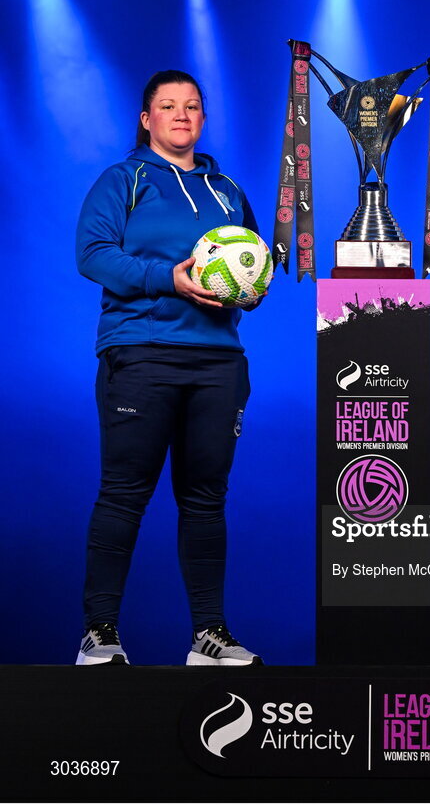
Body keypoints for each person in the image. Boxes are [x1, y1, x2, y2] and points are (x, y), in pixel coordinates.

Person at [75, 70, 264, 666]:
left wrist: (249, 289)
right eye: (168, 105)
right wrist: (169, 279)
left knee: (206, 499)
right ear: (146, 118)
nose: (182, 115)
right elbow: (93, 254)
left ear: (202, 118)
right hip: (142, 353)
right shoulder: (124, 179)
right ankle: (99, 635)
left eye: (192, 106)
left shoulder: (227, 189)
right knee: (124, 494)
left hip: (219, 361)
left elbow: (253, 264)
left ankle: (210, 636)